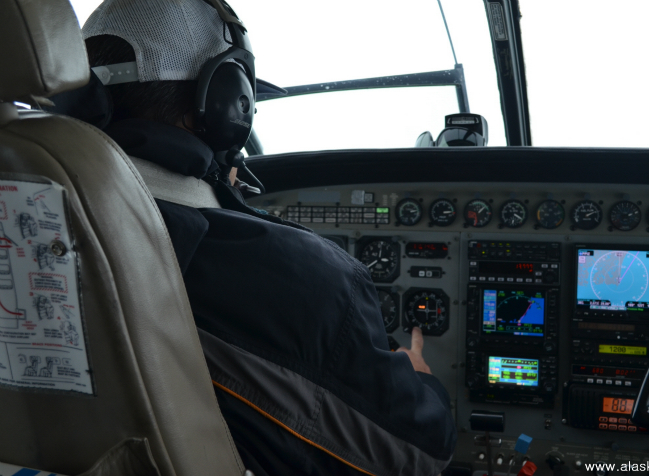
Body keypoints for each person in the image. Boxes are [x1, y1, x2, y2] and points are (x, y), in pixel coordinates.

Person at [77, 1, 457, 475]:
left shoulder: (30, 223)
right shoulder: (308, 278)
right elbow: (417, 454)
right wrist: (421, 380)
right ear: (228, 102)